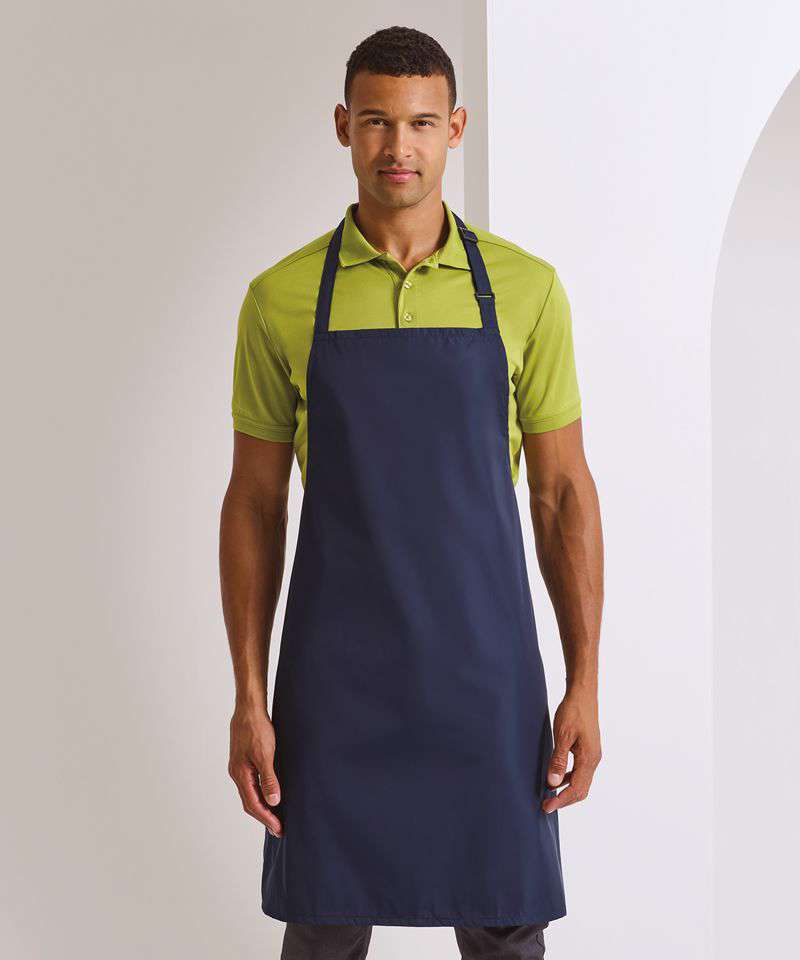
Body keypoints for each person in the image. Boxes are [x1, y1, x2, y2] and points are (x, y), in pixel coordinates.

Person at [219, 25, 603, 960]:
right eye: (378, 122)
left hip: (487, 676)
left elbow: (562, 495)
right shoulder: (279, 297)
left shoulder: (527, 290)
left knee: (507, 927)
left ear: (455, 128)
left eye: (422, 122)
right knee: (323, 925)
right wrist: (249, 696)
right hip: (335, 681)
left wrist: (584, 681)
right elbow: (255, 505)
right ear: (343, 126)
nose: (399, 146)